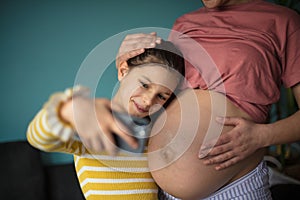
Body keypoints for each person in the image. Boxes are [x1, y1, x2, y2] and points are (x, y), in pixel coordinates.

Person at [115, 0, 300, 199]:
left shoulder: (284, 21)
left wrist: (262, 136)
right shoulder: (184, 23)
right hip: (164, 194)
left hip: (236, 188)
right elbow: (156, 96)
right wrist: (124, 63)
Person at [27, 40, 185, 200]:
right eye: (144, 85)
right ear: (123, 71)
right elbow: (38, 139)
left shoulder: (153, 133)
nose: (148, 101)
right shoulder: (92, 128)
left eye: (161, 96)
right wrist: (69, 110)